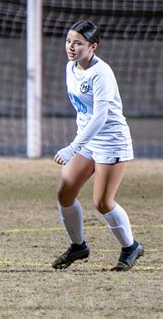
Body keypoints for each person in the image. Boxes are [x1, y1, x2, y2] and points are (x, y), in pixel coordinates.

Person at [52, 20, 143, 271]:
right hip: (88, 141)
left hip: (111, 142)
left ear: (93, 46)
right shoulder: (71, 67)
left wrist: (72, 147)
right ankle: (78, 246)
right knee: (65, 192)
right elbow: (84, 112)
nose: (71, 47)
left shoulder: (101, 73)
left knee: (102, 202)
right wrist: (79, 142)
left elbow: (100, 117)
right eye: (69, 41)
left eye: (78, 43)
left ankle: (131, 247)